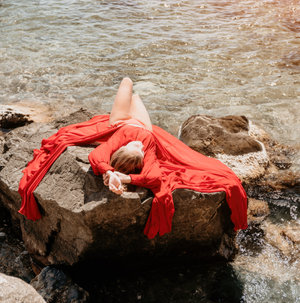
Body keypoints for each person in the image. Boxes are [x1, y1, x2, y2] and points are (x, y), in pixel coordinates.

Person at [18, 78, 248, 239]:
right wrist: (123, 178)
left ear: (125, 147)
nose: (138, 145)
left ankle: (132, 82)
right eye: (139, 150)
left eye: (134, 147)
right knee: (134, 93)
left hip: (120, 122)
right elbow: (154, 176)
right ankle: (136, 83)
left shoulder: (125, 136)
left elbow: (96, 154)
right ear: (140, 157)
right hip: (144, 127)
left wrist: (111, 172)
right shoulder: (145, 146)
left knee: (127, 84)